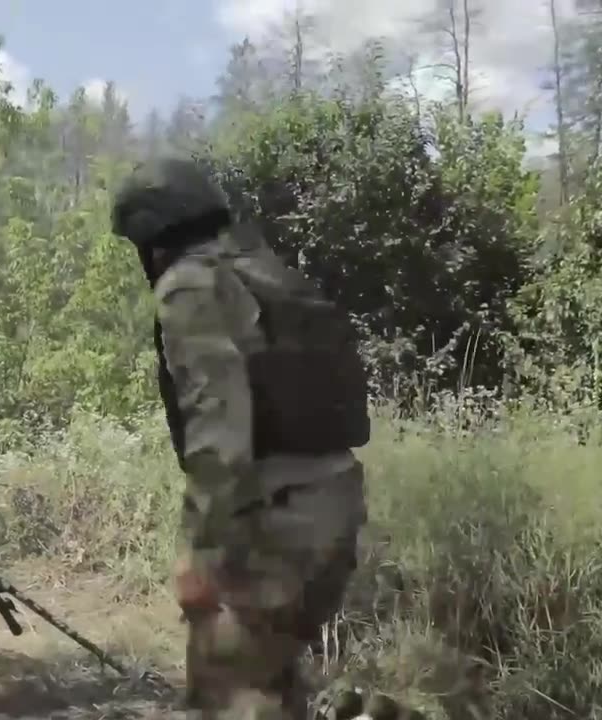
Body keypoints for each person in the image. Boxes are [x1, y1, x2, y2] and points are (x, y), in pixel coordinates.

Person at [110, 157, 372, 719]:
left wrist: (199, 551)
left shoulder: (189, 284)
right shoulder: (262, 269)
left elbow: (218, 425)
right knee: (270, 687)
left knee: (227, 690)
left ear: (149, 237)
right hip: (335, 505)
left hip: (274, 524)